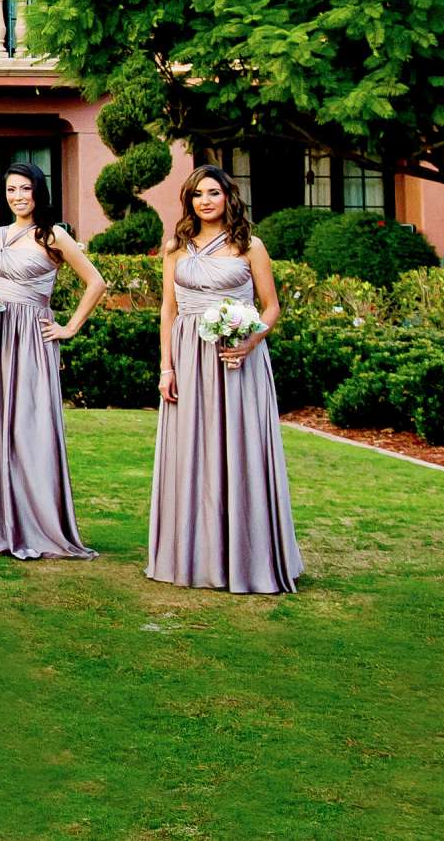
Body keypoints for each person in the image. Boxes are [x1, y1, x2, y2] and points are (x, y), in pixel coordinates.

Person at [146, 164, 303, 594]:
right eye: (197, 194)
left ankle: (246, 555)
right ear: (189, 201)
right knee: (191, 452)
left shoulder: (250, 246)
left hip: (237, 360)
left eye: (213, 192)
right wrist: (167, 367)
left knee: (238, 448)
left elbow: (270, 307)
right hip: (188, 358)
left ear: (228, 196)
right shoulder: (175, 247)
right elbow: (169, 310)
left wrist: (249, 341)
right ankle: (193, 554)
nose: (205, 201)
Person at [0, 162, 103, 561]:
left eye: (25, 189)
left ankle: (37, 523)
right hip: (0, 339)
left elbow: (96, 282)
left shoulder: (53, 235)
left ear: (39, 192)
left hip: (34, 339)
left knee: (31, 427)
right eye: (10, 190)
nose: (18, 196)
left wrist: (69, 327)